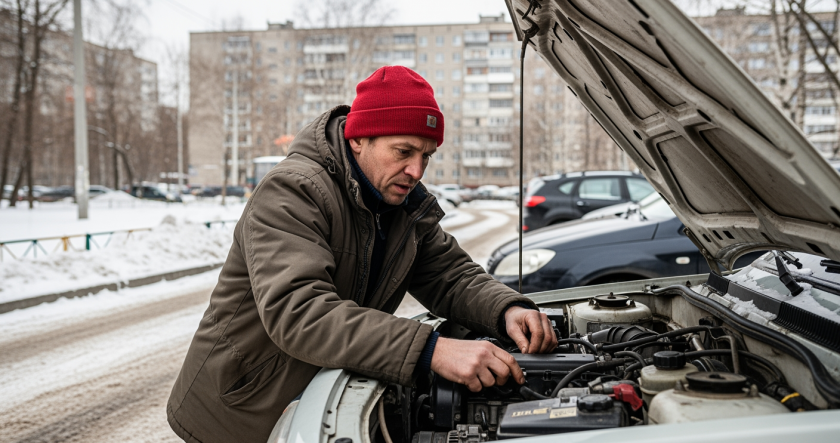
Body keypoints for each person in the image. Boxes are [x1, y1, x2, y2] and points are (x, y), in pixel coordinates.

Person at [167, 66, 557, 443]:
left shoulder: (401, 204)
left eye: (426, 155)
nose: (416, 170)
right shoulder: (293, 190)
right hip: (246, 409)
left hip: (317, 400)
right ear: (359, 139)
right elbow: (300, 312)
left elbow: (450, 275)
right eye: (403, 151)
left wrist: (507, 309)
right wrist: (430, 350)